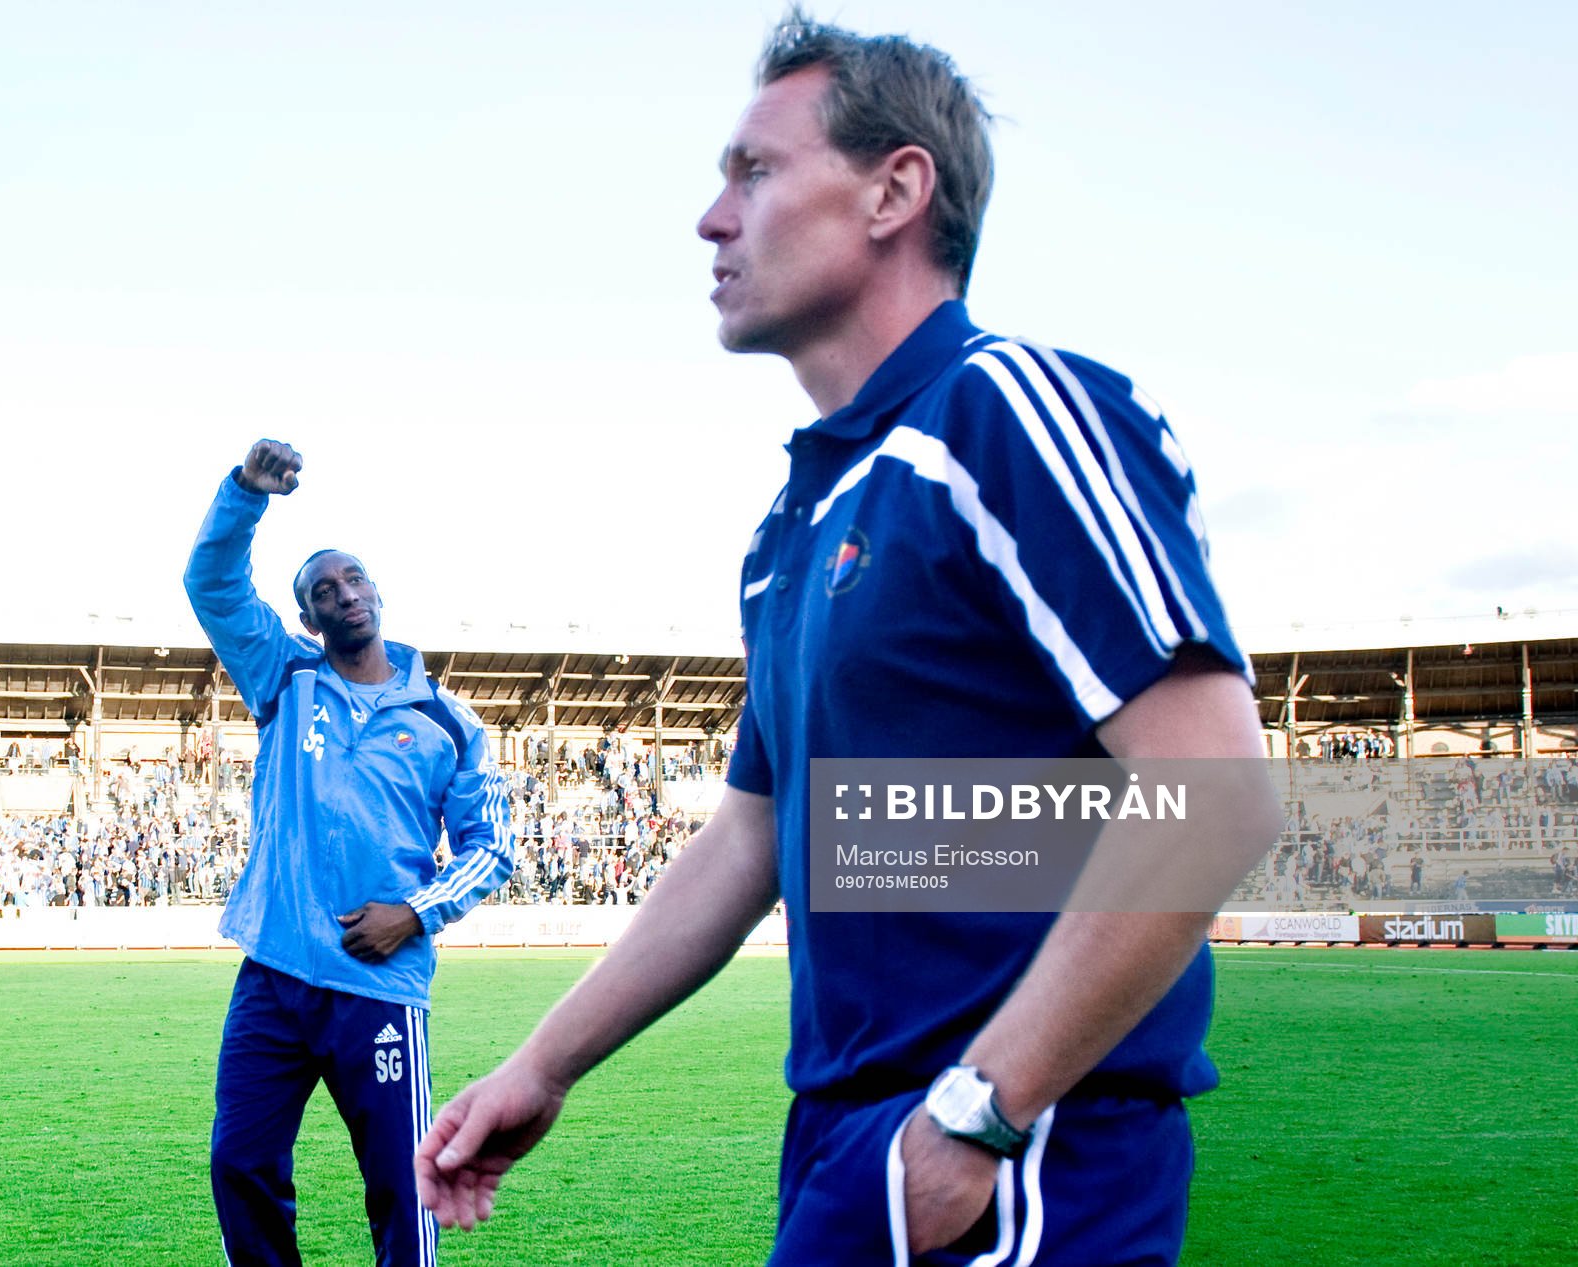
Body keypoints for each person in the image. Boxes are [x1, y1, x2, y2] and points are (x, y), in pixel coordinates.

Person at [415, 11, 1278, 1265]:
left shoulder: (1004, 412)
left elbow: (1212, 790)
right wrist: (544, 1065)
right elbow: (754, 834)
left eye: (753, 170)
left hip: (1018, 1156)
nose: (713, 218)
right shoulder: (795, 522)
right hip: (851, 1136)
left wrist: (979, 1114)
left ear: (895, 190)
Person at [185, 438, 514, 1266]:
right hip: (275, 972)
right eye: (321, 590)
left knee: (401, 1183)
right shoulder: (285, 681)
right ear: (307, 619)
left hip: (378, 985)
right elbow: (212, 585)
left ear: (377, 594)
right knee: (240, 1162)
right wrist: (244, 495)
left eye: (353, 579)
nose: (343, 593)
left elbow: (494, 845)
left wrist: (417, 911)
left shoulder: (449, 722)